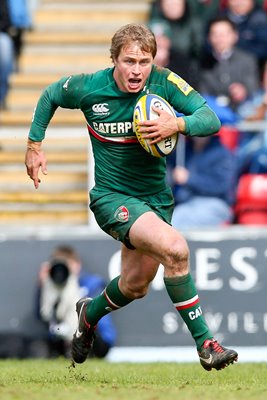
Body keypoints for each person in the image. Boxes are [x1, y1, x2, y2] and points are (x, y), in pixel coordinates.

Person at [25, 23, 238, 371]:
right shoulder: (90, 87)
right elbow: (50, 94)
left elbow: (210, 119)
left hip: (155, 200)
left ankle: (88, 314)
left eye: (144, 61)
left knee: (135, 285)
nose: (137, 69)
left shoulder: (164, 82)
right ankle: (206, 345)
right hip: (112, 198)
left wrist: (177, 124)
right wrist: (34, 145)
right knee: (176, 250)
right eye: (129, 61)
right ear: (114, 60)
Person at [36, 245, 117, 359]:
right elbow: (44, 315)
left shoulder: (92, 283)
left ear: (77, 265)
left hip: (96, 338)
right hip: (62, 337)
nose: (62, 271)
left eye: (66, 265)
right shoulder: (53, 287)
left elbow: (94, 314)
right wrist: (43, 286)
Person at [199, 16, 260, 124]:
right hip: (213, 113)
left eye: (224, 34)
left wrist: (243, 90)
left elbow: (253, 86)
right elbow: (202, 91)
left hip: (241, 111)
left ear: (234, 36)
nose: (219, 39)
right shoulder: (202, 62)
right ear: (209, 38)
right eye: (215, 34)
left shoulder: (247, 59)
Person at [170, 135, 237, 228]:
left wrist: (189, 179)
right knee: (173, 219)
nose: (199, 132)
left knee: (180, 222)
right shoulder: (183, 151)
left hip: (215, 204)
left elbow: (221, 186)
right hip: (185, 204)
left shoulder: (222, 153)